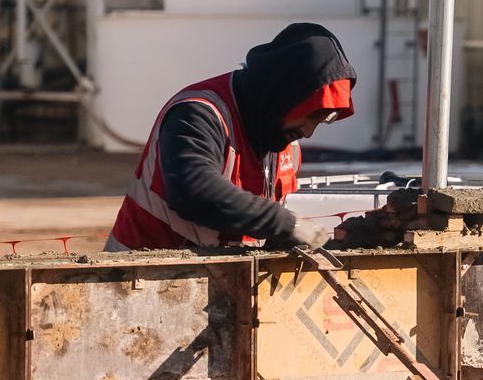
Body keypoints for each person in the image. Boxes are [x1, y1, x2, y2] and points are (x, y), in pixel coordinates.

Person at [107, 22, 353, 251]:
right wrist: (285, 224)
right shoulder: (198, 112)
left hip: (215, 283)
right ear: (285, 95)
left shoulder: (283, 138)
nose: (308, 132)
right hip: (138, 282)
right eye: (310, 116)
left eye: (322, 120)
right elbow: (193, 192)